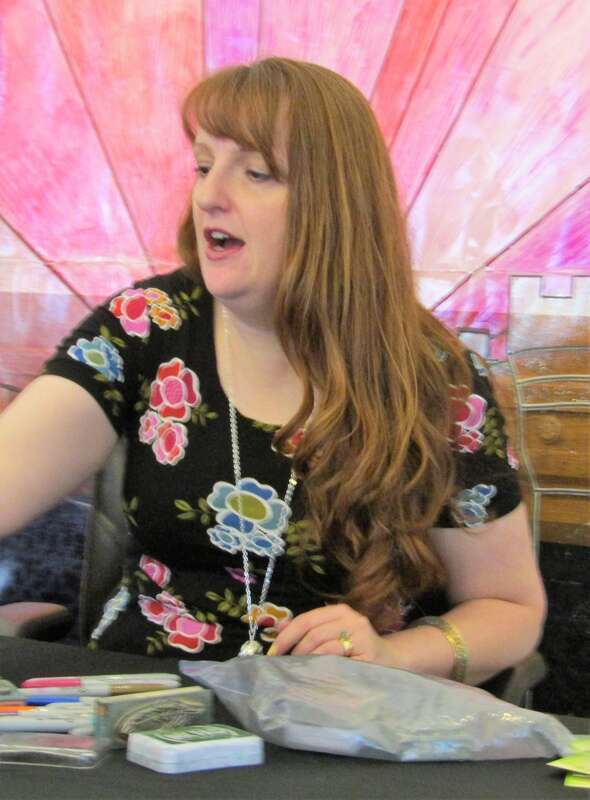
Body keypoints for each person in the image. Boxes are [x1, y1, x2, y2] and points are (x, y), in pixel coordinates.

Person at [0, 57, 545, 683]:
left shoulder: (436, 378)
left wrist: (395, 655)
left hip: (333, 723)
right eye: (204, 167)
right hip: (141, 704)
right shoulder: (146, 325)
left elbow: (510, 609)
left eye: (256, 172)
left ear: (334, 205)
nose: (209, 193)